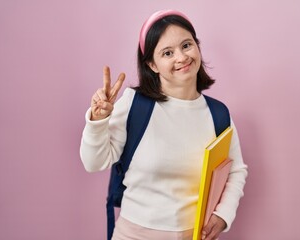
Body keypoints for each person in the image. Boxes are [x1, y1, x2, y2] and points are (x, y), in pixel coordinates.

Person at [80, 9, 248, 240]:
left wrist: (223, 215)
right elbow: (93, 163)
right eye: (167, 53)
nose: (181, 57)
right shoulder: (134, 105)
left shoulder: (218, 114)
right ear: (152, 65)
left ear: (197, 46)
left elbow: (236, 170)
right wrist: (98, 121)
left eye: (187, 45)